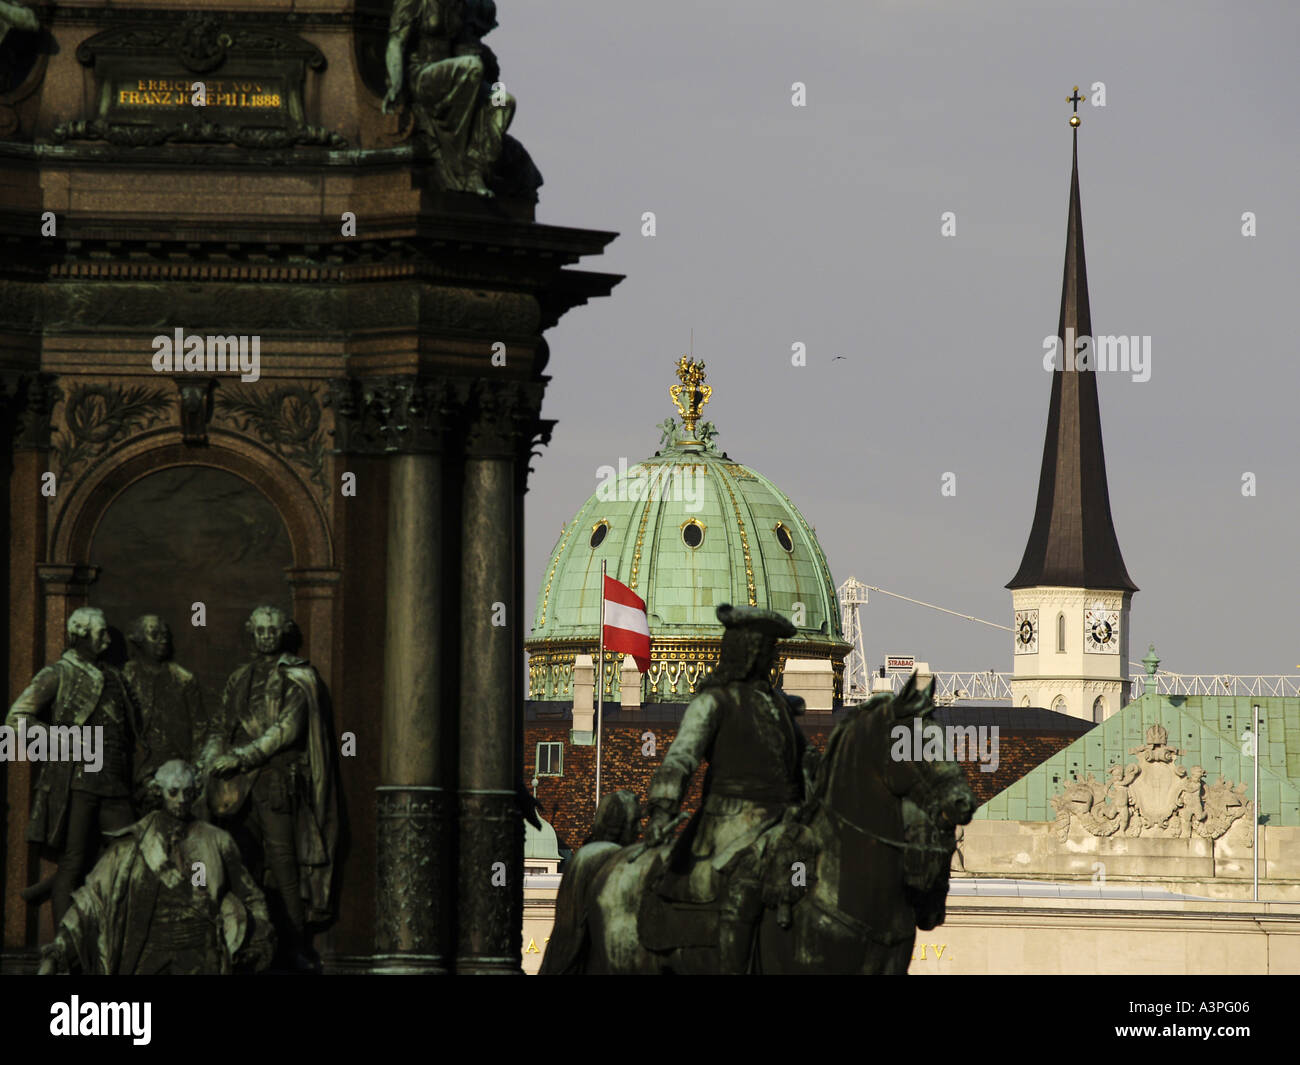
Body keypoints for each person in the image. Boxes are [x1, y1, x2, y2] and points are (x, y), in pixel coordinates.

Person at [643, 604, 817, 973]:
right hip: (731, 822)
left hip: (785, 821)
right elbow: (680, 757)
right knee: (745, 885)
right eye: (768, 647)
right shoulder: (714, 701)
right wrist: (663, 804)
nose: (774, 656)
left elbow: (805, 761)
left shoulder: (777, 705)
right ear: (748, 650)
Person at [37, 760, 274, 975]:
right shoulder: (129, 847)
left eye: (188, 792)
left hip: (200, 955)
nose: (181, 800)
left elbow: (251, 897)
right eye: (173, 792)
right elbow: (90, 902)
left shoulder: (217, 840)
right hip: (147, 956)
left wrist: (259, 942)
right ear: (159, 792)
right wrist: (58, 951)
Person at [206, 606, 338, 970]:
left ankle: (296, 945)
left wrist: (241, 758)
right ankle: (247, 941)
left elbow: (285, 731)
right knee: (241, 862)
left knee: (284, 866)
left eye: (272, 630)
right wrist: (208, 765)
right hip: (235, 789)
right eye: (260, 630)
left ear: (284, 633)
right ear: (252, 632)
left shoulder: (300, 677)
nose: (266, 636)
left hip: (274, 781)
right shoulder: (239, 678)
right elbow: (220, 726)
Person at [6, 606, 139, 924]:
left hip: (116, 779)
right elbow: (16, 719)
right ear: (79, 635)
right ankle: (65, 947)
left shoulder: (116, 678)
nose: (106, 640)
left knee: (132, 853)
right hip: (79, 778)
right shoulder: (58, 673)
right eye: (100, 633)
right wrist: (64, 742)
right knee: (74, 860)